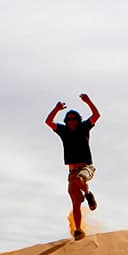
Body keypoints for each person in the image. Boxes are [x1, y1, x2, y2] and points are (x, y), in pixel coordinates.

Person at [45, 93, 100, 239]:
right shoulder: (64, 131)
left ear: (78, 120)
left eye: (74, 118)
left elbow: (96, 115)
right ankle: (78, 230)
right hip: (71, 172)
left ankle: (88, 195)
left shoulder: (84, 128)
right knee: (76, 202)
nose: (71, 121)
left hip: (86, 167)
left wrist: (88, 101)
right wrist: (56, 109)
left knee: (79, 180)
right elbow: (48, 121)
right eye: (69, 119)